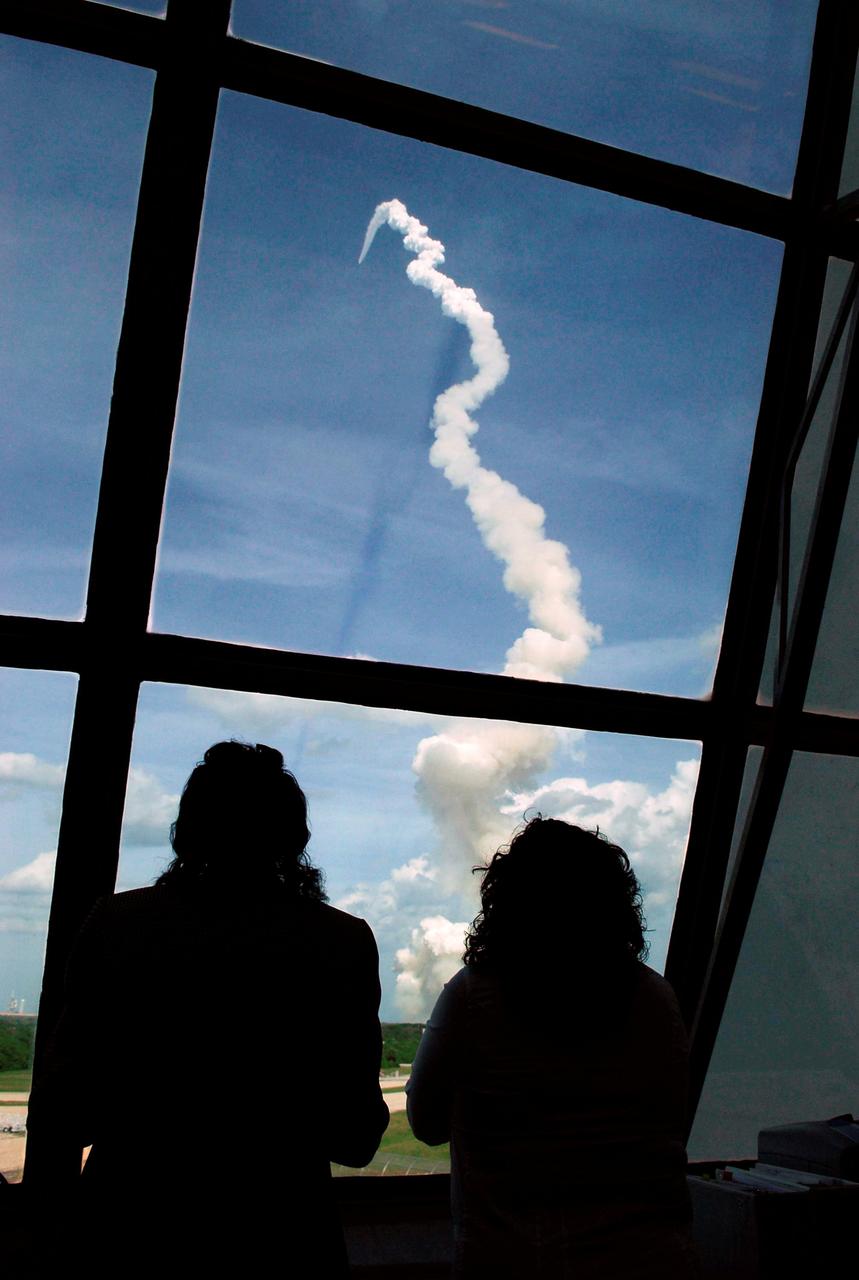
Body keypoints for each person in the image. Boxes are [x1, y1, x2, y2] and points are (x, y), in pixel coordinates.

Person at [26, 740, 388, 1276]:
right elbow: (356, 1138)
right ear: (297, 840)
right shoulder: (341, 942)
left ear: (184, 833)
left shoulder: (115, 925)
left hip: (124, 1233)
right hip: (284, 1235)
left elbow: (58, 1112)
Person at [406, 817, 698, 1279]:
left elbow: (425, 1124)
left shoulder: (471, 995)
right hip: (649, 1256)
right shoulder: (657, 997)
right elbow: (670, 1117)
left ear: (507, 904)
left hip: (513, 1259)